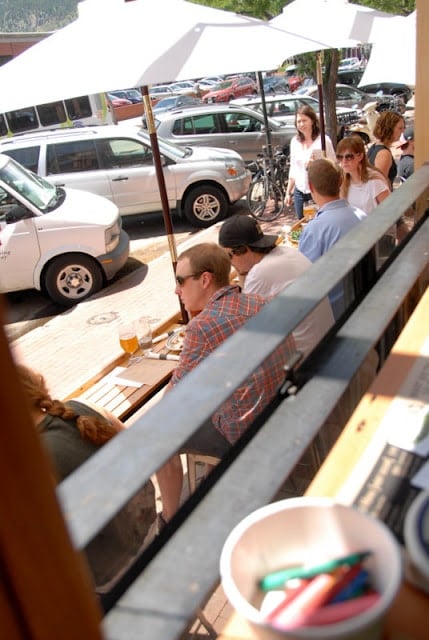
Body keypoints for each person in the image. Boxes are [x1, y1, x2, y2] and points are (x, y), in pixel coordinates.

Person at [155, 243, 296, 523]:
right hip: (279, 415)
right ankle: (213, 482)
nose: (176, 290)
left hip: (243, 433)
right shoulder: (262, 303)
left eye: (180, 281)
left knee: (157, 436)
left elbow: (173, 400)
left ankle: (169, 522)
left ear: (205, 279)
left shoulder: (202, 327)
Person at [16, 364, 157, 611]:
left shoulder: (31, 464)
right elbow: (140, 454)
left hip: (112, 569)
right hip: (149, 525)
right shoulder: (82, 408)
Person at [218, 213, 334, 361]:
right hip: (324, 342)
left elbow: (244, 329)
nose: (230, 263)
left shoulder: (259, 273)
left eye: (229, 256)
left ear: (245, 249)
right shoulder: (287, 252)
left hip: (305, 359)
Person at [298, 158, 366, 320]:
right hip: (362, 303)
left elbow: (304, 281)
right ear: (341, 180)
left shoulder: (315, 229)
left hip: (334, 315)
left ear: (310, 187)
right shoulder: (362, 215)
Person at [336, 134, 396, 257]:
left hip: (379, 238)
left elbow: (390, 213)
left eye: (349, 157)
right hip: (357, 238)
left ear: (360, 156)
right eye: (340, 157)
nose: (343, 161)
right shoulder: (344, 182)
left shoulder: (374, 181)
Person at [285, 104, 336, 220]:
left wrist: (317, 166)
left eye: (304, 120)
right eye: (299, 122)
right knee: (302, 224)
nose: (301, 124)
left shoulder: (323, 141)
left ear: (312, 121)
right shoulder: (295, 142)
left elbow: (334, 165)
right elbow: (293, 169)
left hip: (317, 190)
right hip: (300, 191)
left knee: (319, 222)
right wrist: (288, 192)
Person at [367, 110, 408, 242]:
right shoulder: (383, 153)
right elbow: (380, 184)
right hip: (383, 207)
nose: (402, 131)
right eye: (399, 128)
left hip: (383, 205)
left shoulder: (375, 147)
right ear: (389, 128)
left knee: (404, 237)